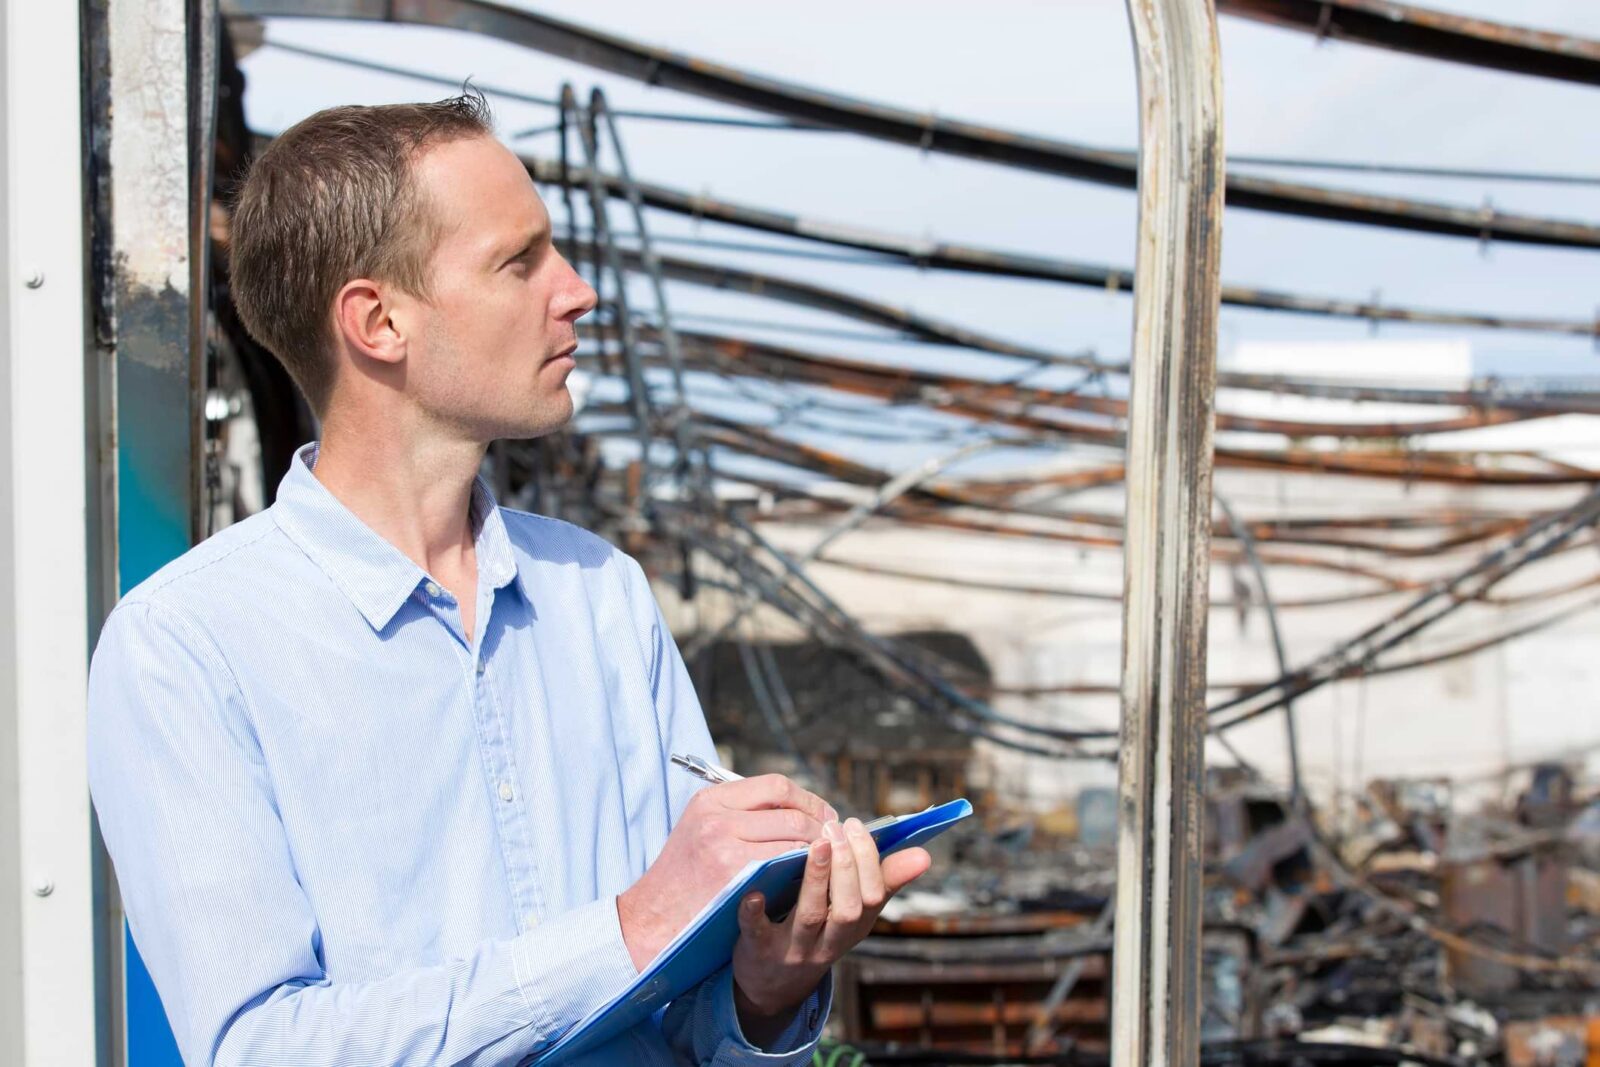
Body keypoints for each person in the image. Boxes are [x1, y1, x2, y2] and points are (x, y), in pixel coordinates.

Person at [86, 92, 931, 1067]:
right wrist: (634, 923)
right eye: (517, 261)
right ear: (379, 321)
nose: (575, 291)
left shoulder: (600, 593)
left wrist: (765, 981)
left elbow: (689, 1019)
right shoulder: (186, 646)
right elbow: (263, 1047)